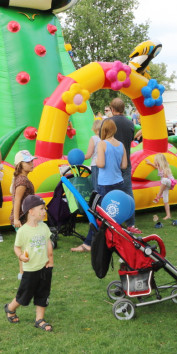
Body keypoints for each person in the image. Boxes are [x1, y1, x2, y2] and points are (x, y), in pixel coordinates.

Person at [71, 118, 128, 252]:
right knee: (115, 212)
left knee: (97, 213)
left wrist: (96, 159)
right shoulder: (121, 144)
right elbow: (124, 165)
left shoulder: (102, 144)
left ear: (103, 130)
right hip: (118, 182)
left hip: (105, 184)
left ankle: (88, 244)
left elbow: (100, 164)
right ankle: (115, 241)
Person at [3, 195, 54, 332]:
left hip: (44, 267)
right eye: (41, 209)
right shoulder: (23, 231)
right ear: (31, 211)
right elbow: (17, 247)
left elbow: (48, 243)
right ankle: (10, 308)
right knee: (24, 295)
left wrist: (50, 260)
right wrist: (20, 256)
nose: (44, 212)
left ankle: (39, 320)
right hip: (30, 269)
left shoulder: (44, 227)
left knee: (43, 293)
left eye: (44, 209)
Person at [108, 98, 139, 232]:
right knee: (127, 192)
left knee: (110, 191)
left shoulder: (108, 122)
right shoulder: (129, 123)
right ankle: (131, 223)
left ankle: (111, 221)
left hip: (111, 163)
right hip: (125, 161)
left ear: (112, 109)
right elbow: (130, 139)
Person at [11, 149, 36, 280]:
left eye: (32, 161)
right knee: (25, 246)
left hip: (25, 218)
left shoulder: (21, 179)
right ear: (20, 164)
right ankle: (23, 273)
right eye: (28, 162)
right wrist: (16, 219)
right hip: (22, 219)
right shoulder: (22, 181)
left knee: (25, 245)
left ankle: (24, 273)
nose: (32, 163)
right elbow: (17, 200)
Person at [150, 153, 174, 220]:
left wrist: (160, 193)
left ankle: (158, 195)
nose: (154, 162)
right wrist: (150, 163)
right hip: (164, 184)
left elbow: (165, 179)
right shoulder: (159, 167)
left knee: (164, 179)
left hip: (170, 182)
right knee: (165, 200)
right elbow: (155, 166)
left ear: (159, 161)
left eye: (155, 160)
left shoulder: (165, 168)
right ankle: (168, 215)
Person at [83, 120, 102, 191]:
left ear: (95, 129)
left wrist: (80, 158)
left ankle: (97, 201)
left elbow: (88, 155)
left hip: (96, 165)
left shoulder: (94, 138)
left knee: (96, 187)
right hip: (105, 164)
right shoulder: (106, 138)